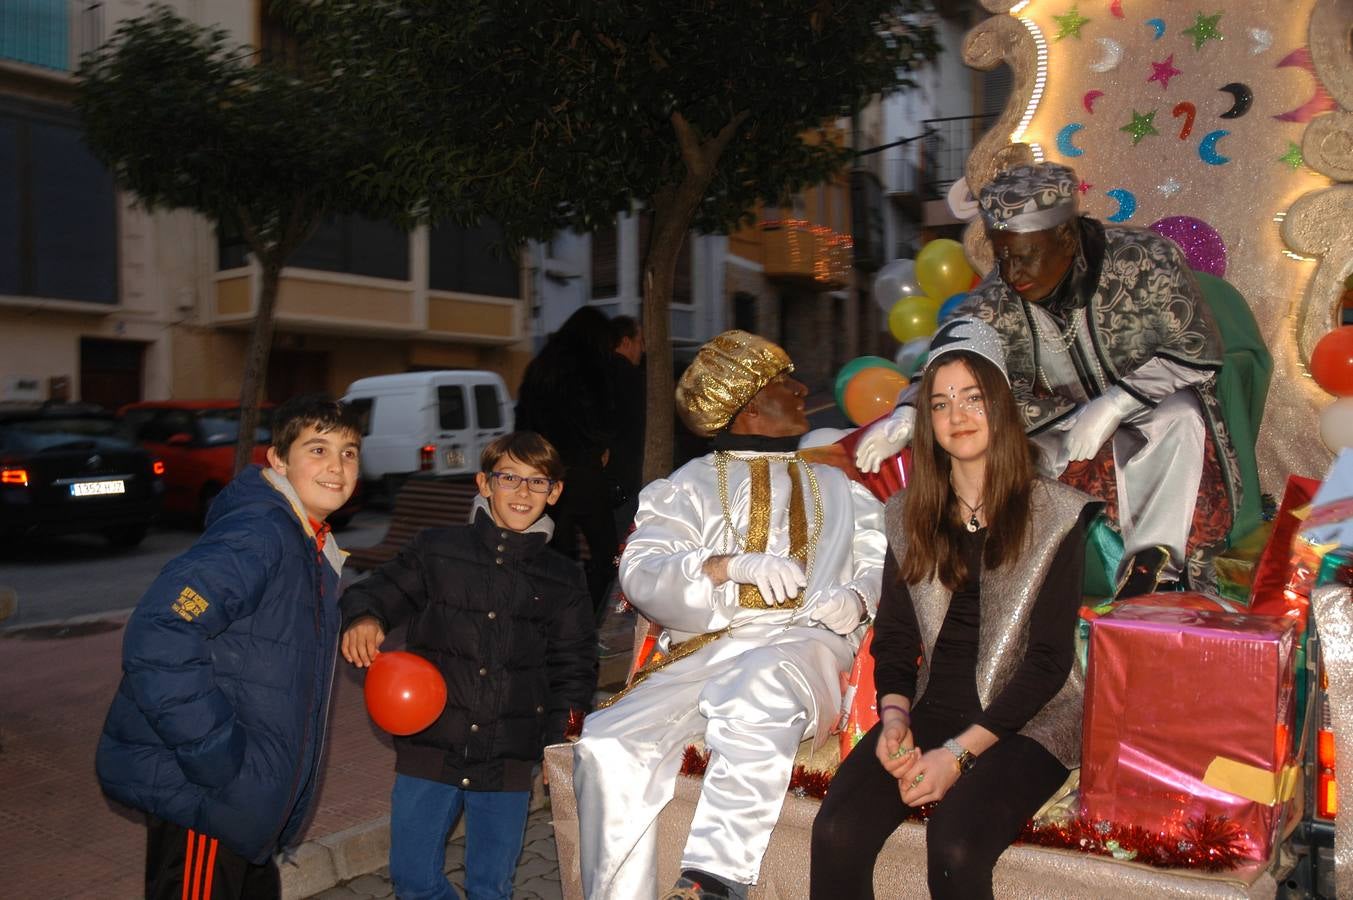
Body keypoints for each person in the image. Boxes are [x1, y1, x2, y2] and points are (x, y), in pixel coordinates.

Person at [573, 330, 887, 900]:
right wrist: (723, 567)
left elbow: (880, 559)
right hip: (702, 652)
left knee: (755, 687)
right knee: (606, 741)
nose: (801, 388)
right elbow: (642, 570)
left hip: (802, 648)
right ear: (749, 405)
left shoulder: (842, 487)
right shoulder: (685, 487)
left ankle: (716, 880)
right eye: (783, 381)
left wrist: (860, 599)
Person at [812, 319, 1100, 898]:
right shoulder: (906, 513)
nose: (958, 415)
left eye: (973, 398)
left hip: (1033, 718)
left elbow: (1046, 662)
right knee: (836, 831)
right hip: (932, 703)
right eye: (940, 403)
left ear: (1000, 406)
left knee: (955, 843)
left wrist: (956, 757)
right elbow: (894, 639)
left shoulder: (1057, 513)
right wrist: (894, 720)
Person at [857, 162, 1240, 598]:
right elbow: (952, 354)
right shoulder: (998, 295)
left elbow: (1197, 350)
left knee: (1183, 414)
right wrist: (907, 413)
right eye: (1003, 255)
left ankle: (1155, 566)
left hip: (1151, 409)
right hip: (1057, 425)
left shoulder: (1144, 258)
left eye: (1025, 254)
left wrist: (1115, 404)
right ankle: (996, 587)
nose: (1012, 271)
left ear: (1066, 237)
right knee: (979, 446)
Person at [95, 394, 362, 900]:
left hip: (242, 807)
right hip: (207, 804)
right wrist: (217, 760)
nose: (337, 466)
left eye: (349, 452)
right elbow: (161, 633)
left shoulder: (306, 541)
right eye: (319, 449)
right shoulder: (260, 535)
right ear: (279, 459)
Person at [340, 431, 597, 900]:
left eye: (537, 482)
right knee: (413, 880)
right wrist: (365, 617)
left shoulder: (564, 577)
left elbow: (574, 668)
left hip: (508, 757)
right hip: (431, 748)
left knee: (490, 886)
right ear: (484, 483)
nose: (522, 493)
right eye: (509, 478)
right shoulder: (437, 550)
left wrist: (562, 741)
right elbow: (375, 591)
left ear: (554, 492)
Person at [516, 306, 621, 615]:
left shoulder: (540, 367)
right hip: (584, 471)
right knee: (605, 554)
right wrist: (601, 447)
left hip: (545, 472)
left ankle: (556, 618)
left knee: (557, 553)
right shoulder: (594, 368)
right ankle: (585, 617)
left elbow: (523, 421)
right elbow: (601, 420)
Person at [606, 314, 646, 537]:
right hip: (625, 476)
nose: (642, 349)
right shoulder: (631, 378)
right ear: (626, 341)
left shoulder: (595, 375)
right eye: (640, 342)